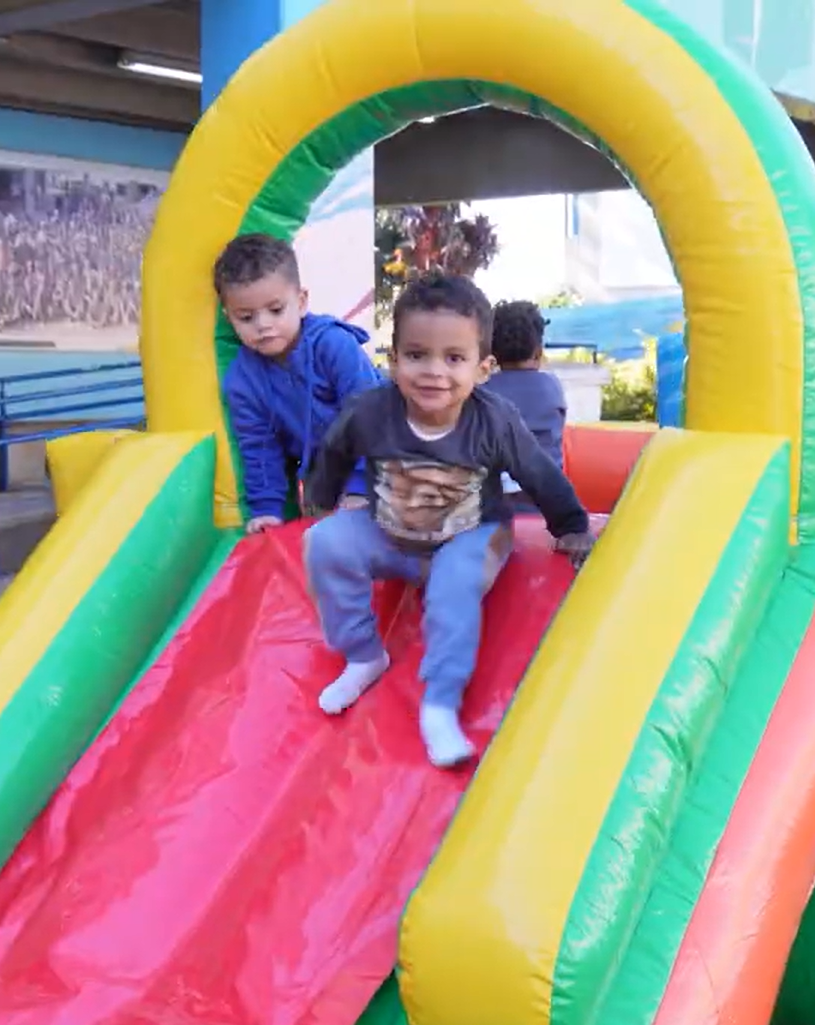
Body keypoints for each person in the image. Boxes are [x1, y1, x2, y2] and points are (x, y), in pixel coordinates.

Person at [301, 273, 596, 768]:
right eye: (417, 355)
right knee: (324, 543)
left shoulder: (494, 420)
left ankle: (440, 703)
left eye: (453, 358)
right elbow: (334, 452)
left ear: (483, 369)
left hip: (472, 532)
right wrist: (322, 500)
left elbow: (538, 472)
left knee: (454, 582)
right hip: (393, 533)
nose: (433, 372)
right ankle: (363, 654)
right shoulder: (370, 412)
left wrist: (570, 526)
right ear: (393, 360)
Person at [215, 232, 384, 532]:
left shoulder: (333, 345)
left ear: (301, 301)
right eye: (246, 317)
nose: (263, 325)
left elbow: (370, 415)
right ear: (229, 318)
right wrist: (267, 509)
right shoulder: (243, 381)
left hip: (387, 457)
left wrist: (359, 485)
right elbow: (259, 447)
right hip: (323, 475)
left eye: (276, 310)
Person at [483, 300, 568, 511]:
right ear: (538, 352)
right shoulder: (552, 388)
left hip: (492, 502)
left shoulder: (481, 392)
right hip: (546, 501)